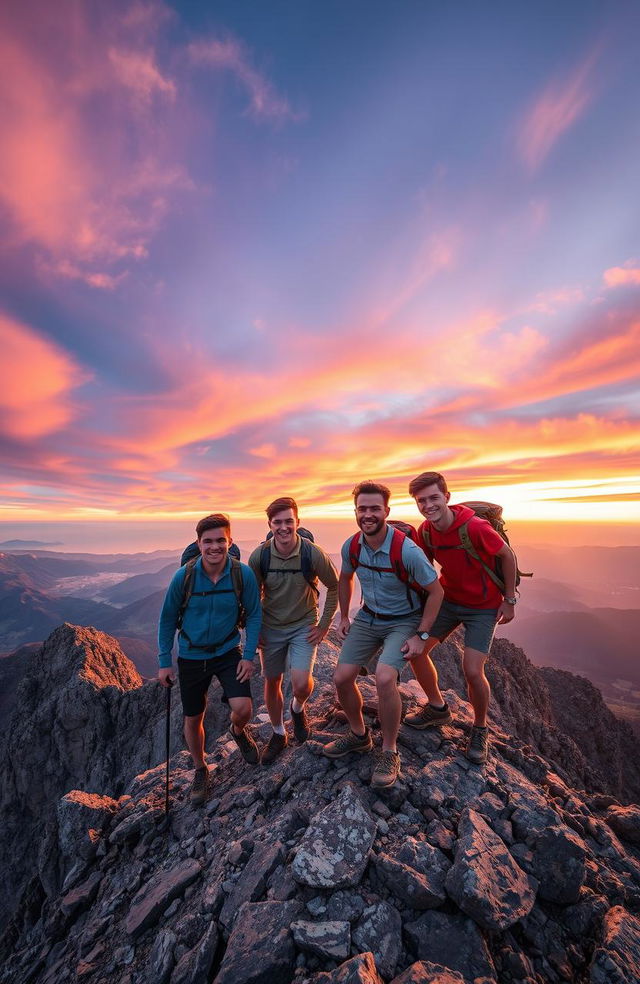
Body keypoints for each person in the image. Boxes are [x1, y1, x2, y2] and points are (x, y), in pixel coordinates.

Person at [322, 481, 443, 789]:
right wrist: (346, 615)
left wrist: (422, 635)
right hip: (368, 617)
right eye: (362, 508)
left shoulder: (407, 551)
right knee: (341, 678)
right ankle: (360, 736)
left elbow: (436, 591)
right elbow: (345, 577)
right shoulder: (352, 546)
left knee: (386, 678)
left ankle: (388, 750)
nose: (368, 514)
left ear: (386, 511)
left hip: (404, 621)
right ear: (355, 511)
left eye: (375, 508)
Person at [404, 471, 518, 764]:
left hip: (483, 606)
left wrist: (509, 599)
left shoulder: (475, 527)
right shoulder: (426, 531)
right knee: (416, 651)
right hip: (449, 601)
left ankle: (480, 729)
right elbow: (423, 566)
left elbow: (506, 556)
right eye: (421, 501)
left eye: (433, 498)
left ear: (446, 497)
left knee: (471, 670)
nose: (428, 505)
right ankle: (438, 709)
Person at [158, 513, 262, 805]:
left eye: (220, 540)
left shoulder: (243, 574)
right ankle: (200, 769)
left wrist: (249, 655)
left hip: (228, 651)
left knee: (243, 708)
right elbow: (167, 620)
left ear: (229, 541)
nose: (214, 547)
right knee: (194, 717)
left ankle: (237, 731)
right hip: (191, 655)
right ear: (198, 543)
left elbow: (254, 614)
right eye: (208, 541)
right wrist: (165, 660)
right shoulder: (185, 576)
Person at [248, 497, 338, 764]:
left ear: (297, 522)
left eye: (289, 521)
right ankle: (278, 733)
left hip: (303, 625)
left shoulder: (312, 553)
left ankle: (297, 709)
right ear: (270, 524)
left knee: (301, 683)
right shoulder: (260, 555)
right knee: (272, 681)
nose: (284, 527)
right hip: (271, 627)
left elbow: (335, 585)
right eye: (278, 522)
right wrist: (253, 632)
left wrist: (324, 626)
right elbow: (250, 597)